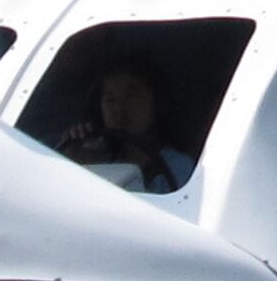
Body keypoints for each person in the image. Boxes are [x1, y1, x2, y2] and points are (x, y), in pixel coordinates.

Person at [58, 59, 195, 192]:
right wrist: (78, 165)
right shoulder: (95, 154)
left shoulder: (179, 167)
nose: (119, 109)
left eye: (131, 96)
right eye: (110, 100)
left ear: (157, 102)